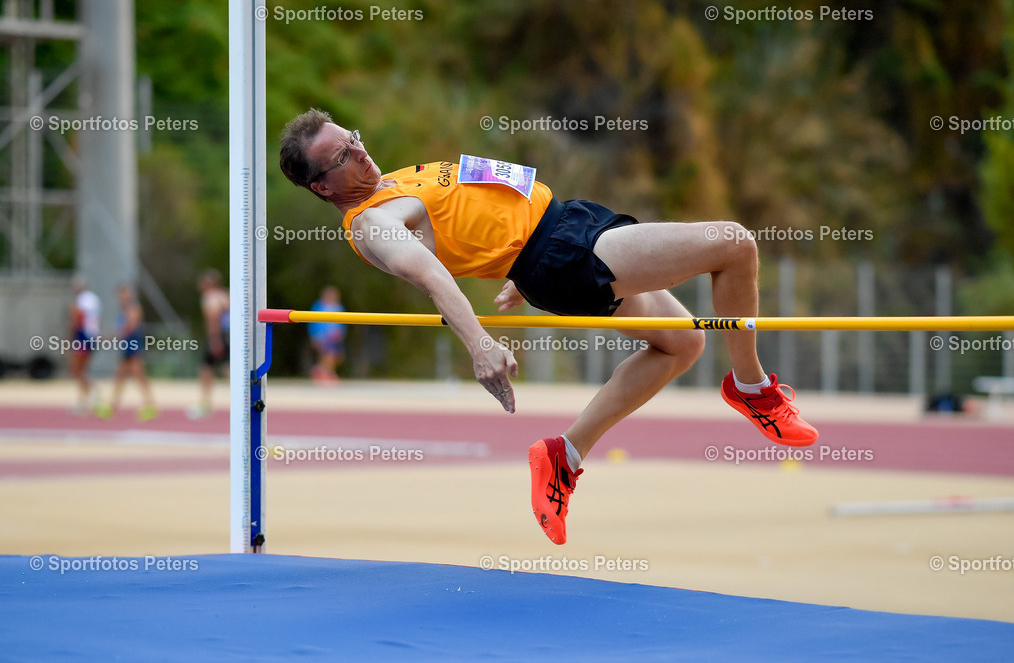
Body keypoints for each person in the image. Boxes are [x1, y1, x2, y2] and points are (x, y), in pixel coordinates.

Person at [279, 109, 819, 545]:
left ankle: (566, 455)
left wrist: (512, 267)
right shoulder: (372, 223)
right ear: (323, 187)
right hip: (562, 255)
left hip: (560, 232)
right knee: (734, 242)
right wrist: (481, 342)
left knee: (683, 343)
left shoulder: (387, 184)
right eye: (342, 157)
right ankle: (754, 389)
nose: (359, 151)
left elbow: (467, 223)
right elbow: (432, 275)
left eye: (352, 138)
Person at [95, 284, 157, 421]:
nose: (121, 297)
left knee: (139, 377)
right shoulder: (123, 311)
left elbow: (129, 328)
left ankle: (150, 405)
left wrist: (109, 336)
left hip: (133, 348)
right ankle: (113, 405)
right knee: (120, 377)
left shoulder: (133, 309)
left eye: (124, 294)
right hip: (126, 348)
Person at [188, 269, 230, 419]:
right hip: (229, 334)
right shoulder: (225, 294)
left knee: (208, 369)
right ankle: (243, 398)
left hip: (218, 335)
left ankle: (205, 403)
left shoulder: (209, 297)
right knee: (224, 368)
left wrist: (215, 340)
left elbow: (213, 319)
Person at [68, 275, 101, 415]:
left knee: (76, 369)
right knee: (81, 370)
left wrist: (70, 338)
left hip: (83, 337)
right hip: (92, 336)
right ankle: (85, 398)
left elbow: (77, 320)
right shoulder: (94, 299)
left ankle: (89, 394)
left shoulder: (80, 301)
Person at [309, 285, 346, 383]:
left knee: (336, 357)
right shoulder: (318, 306)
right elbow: (312, 322)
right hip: (322, 336)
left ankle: (319, 369)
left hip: (335, 336)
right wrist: (314, 335)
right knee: (327, 355)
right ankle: (329, 373)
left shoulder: (339, 307)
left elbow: (342, 322)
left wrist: (341, 333)